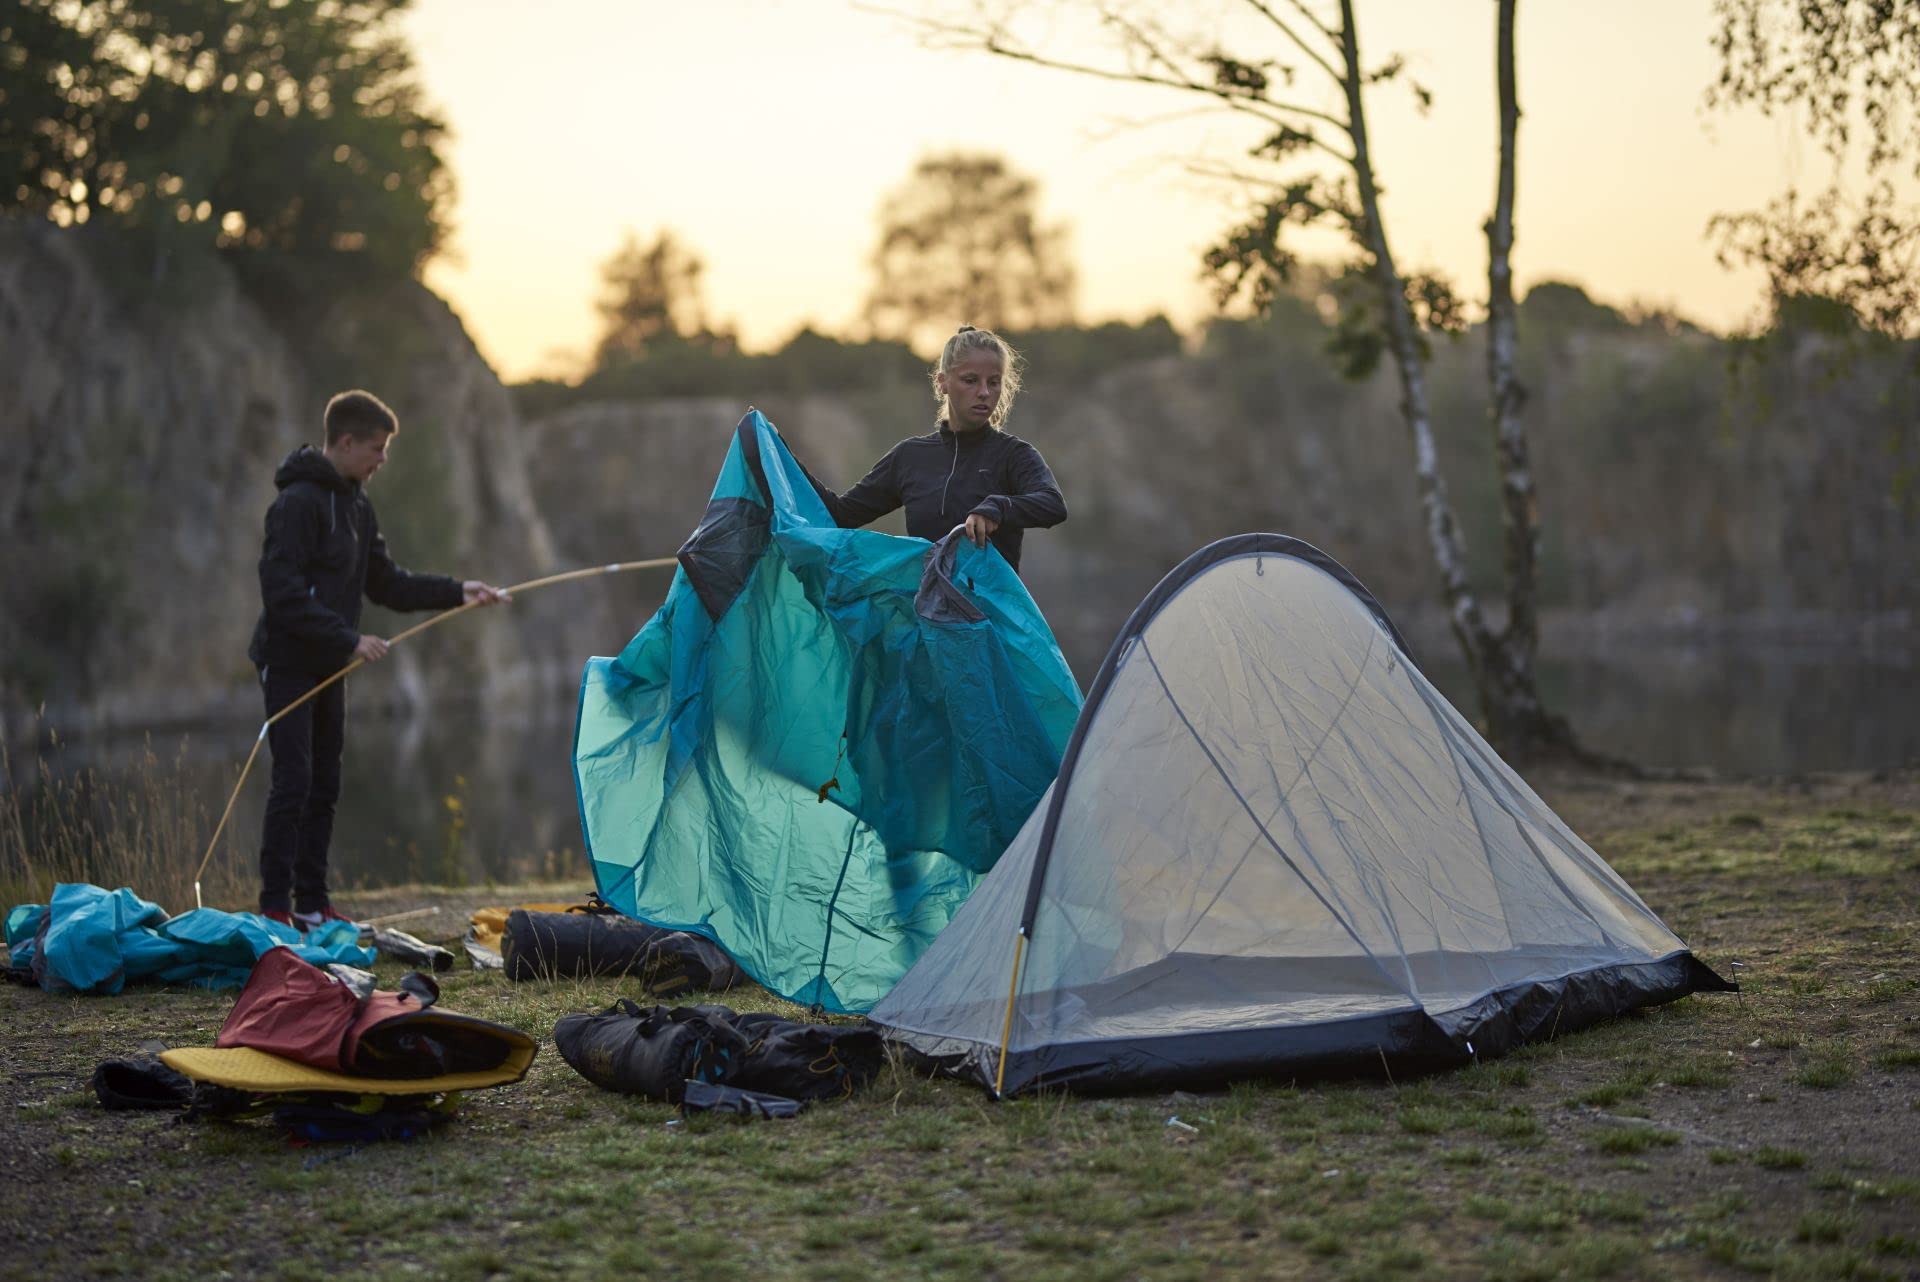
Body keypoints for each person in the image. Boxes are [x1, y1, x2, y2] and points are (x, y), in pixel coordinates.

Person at [247, 390, 506, 929]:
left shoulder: (358, 505)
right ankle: (275, 906)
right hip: (291, 661)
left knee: (325, 783)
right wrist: (347, 638)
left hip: (330, 665)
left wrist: (459, 591)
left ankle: (313, 903)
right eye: (376, 448)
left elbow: (388, 584)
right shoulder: (296, 504)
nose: (383, 459)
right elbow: (282, 592)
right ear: (344, 442)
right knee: (292, 781)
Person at [803, 325, 1066, 574]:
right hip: (928, 615)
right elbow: (841, 515)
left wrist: (998, 507)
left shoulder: (1013, 455)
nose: (984, 392)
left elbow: (1052, 504)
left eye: (994, 382)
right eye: (971, 380)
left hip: (992, 618)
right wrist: (774, 447)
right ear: (943, 382)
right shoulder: (910, 457)